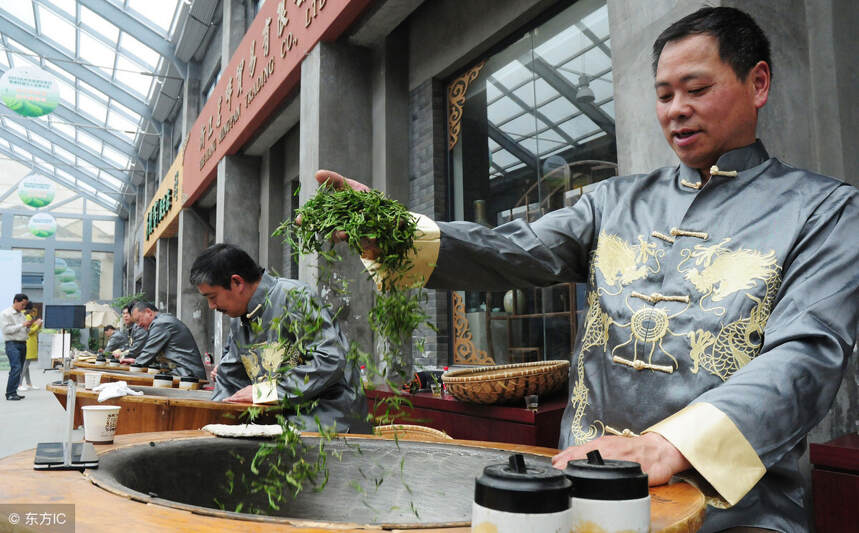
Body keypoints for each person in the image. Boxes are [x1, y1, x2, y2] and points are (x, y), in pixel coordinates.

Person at [310, 7, 858, 531]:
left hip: (734, 510)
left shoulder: (824, 211)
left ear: (757, 83)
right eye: (664, 95)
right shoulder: (612, 202)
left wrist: (673, 446)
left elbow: (805, 354)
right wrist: (396, 233)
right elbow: (513, 248)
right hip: (582, 488)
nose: (675, 110)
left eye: (696, 89)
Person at [189, 243, 369, 433]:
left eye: (212, 296)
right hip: (282, 421)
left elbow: (330, 360)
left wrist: (262, 393)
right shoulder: (239, 318)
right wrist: (215, 420)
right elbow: (230, 378)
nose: (211, 306)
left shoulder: (295, 297)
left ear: (237, 282)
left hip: (328, 420)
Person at [124, 302, 206, 379]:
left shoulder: (160, 323)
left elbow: (148, 352)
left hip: (189, 374)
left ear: (149, 312)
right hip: (182, 372)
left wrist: (136, 363)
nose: (139, 325)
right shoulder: (161, 320)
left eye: (138, 320)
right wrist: (137, 361)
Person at [1, 293, 32, 400]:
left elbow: (24, 330)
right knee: (16, 367)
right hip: (12, 344)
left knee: (19, 368)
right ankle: (10, 393)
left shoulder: (21, 315)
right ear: (15, 301)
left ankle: (14, 392)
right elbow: (6, 330)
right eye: (22, 305)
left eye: (25, 305)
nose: (24, 307)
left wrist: (28, 326)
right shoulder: (6, 314)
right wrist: (22, 325)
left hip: (22, 343)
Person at [18, 302, 42, 392]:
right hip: (29, 342)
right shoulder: (27, 316)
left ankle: (29, 383)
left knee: (26, 365)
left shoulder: (26, 315)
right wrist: (38, 325)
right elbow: (29, 331)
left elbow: (33, 329)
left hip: (30, 341)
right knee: (25, 364)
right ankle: (19, 384)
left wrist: (37, 325)